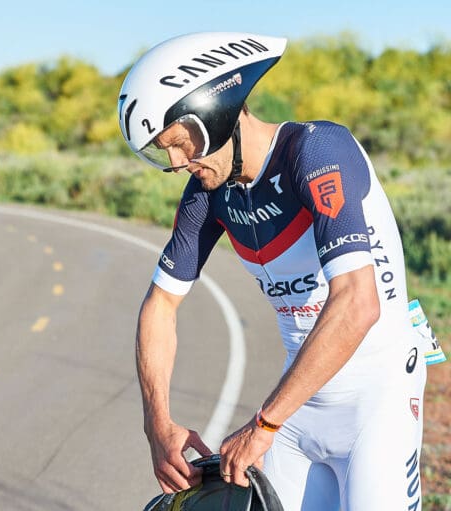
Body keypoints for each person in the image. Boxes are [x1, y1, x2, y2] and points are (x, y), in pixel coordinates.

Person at [118, 32, 427, 510]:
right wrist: (156, 424)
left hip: (377, 397)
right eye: (164, 151)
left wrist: (263, 425)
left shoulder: (316, 150)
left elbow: (357, 303)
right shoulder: (209, 191)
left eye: (181, 143)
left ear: (217, 113)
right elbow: (160, 305)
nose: (177, 164)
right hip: (300, 407)